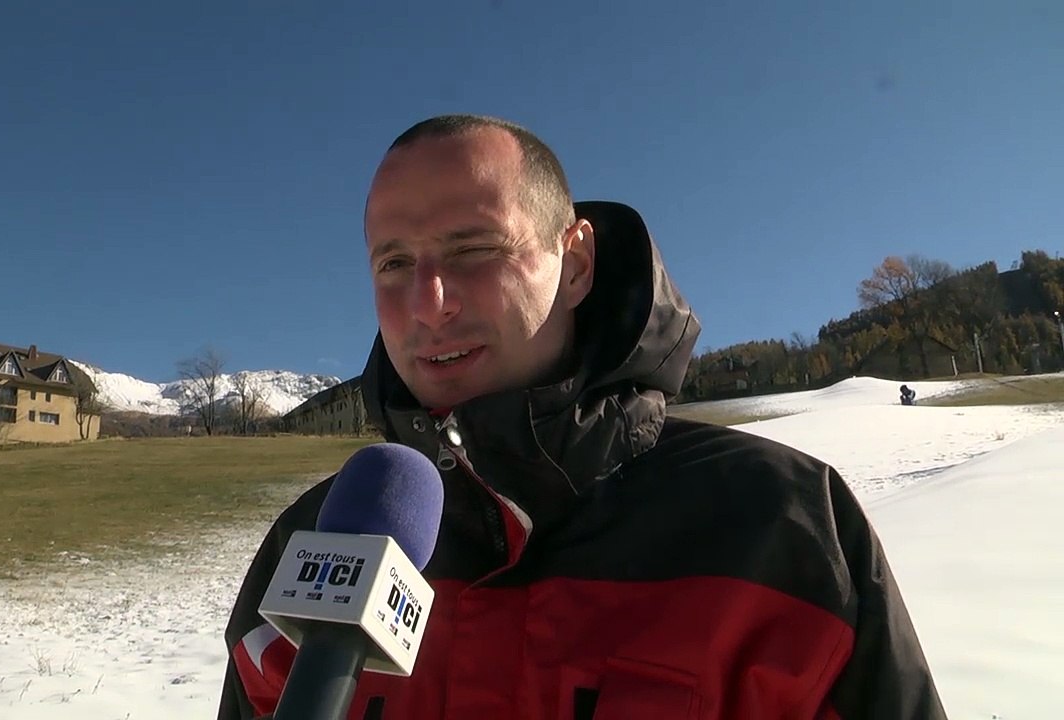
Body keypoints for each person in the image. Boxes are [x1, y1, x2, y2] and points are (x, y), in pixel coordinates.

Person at [219, 115, 946, 719]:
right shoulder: (311, 539)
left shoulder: (778, 526)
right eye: (393, 264)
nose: (427, 303)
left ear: (575, 264)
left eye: (474, 249)